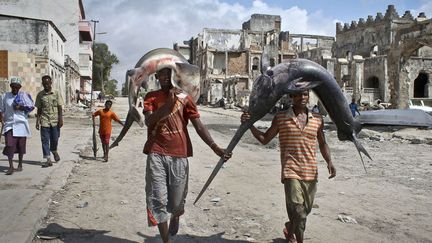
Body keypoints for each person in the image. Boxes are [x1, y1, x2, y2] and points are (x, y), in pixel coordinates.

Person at [143, 67, 231, 243]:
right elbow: (148, 121)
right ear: (157, 76)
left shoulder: (185, 98)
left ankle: (176, 214)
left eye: (169, 73)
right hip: (156, 152)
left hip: (179, 154)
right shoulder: (151, 97)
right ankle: (166, 241)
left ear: (176, 76)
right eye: (162, 73)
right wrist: (168, 104)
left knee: (176, 203)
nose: (166, 77)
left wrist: (215, 147)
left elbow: (199, 126)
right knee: (158, 199)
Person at [241, 90, 336, 243]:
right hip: (290, 170)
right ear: (291, 97)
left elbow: (322, 142)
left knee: (304, 211)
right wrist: (249, 124)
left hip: (311, 171)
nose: (302, 98)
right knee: (298, 211)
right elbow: (265, 139)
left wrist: (329, 161)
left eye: (305, 94)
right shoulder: (281, 118)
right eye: (298, 94)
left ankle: (290, 227)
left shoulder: (317, 119)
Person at [0, 77, 34, 175]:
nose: (15, 89)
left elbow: (30, 107)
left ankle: (20, 164)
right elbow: (1, 109)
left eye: (17, 87)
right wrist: (1, 120)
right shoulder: (4, 96)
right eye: (13, 87)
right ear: (10, 86)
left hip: (21, 124)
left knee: (20, 146)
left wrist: (21, 107)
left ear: (20, 87)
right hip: (9, 124)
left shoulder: (24, 96)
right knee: (9, 145)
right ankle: (11, 166)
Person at [35, 75, 64, 167]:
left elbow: (59, 107)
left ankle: (54, 150)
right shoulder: (40, 95)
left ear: (51, 83)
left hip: (55, 120)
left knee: (55, 138)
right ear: (42, 84)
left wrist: (60, 119)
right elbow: (39, 109)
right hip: (44, 120)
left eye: (47, 83)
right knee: (44, 140)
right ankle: (48, 158)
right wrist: (37, 121)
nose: (46, 85)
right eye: (44, 84)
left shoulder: (56, 93)